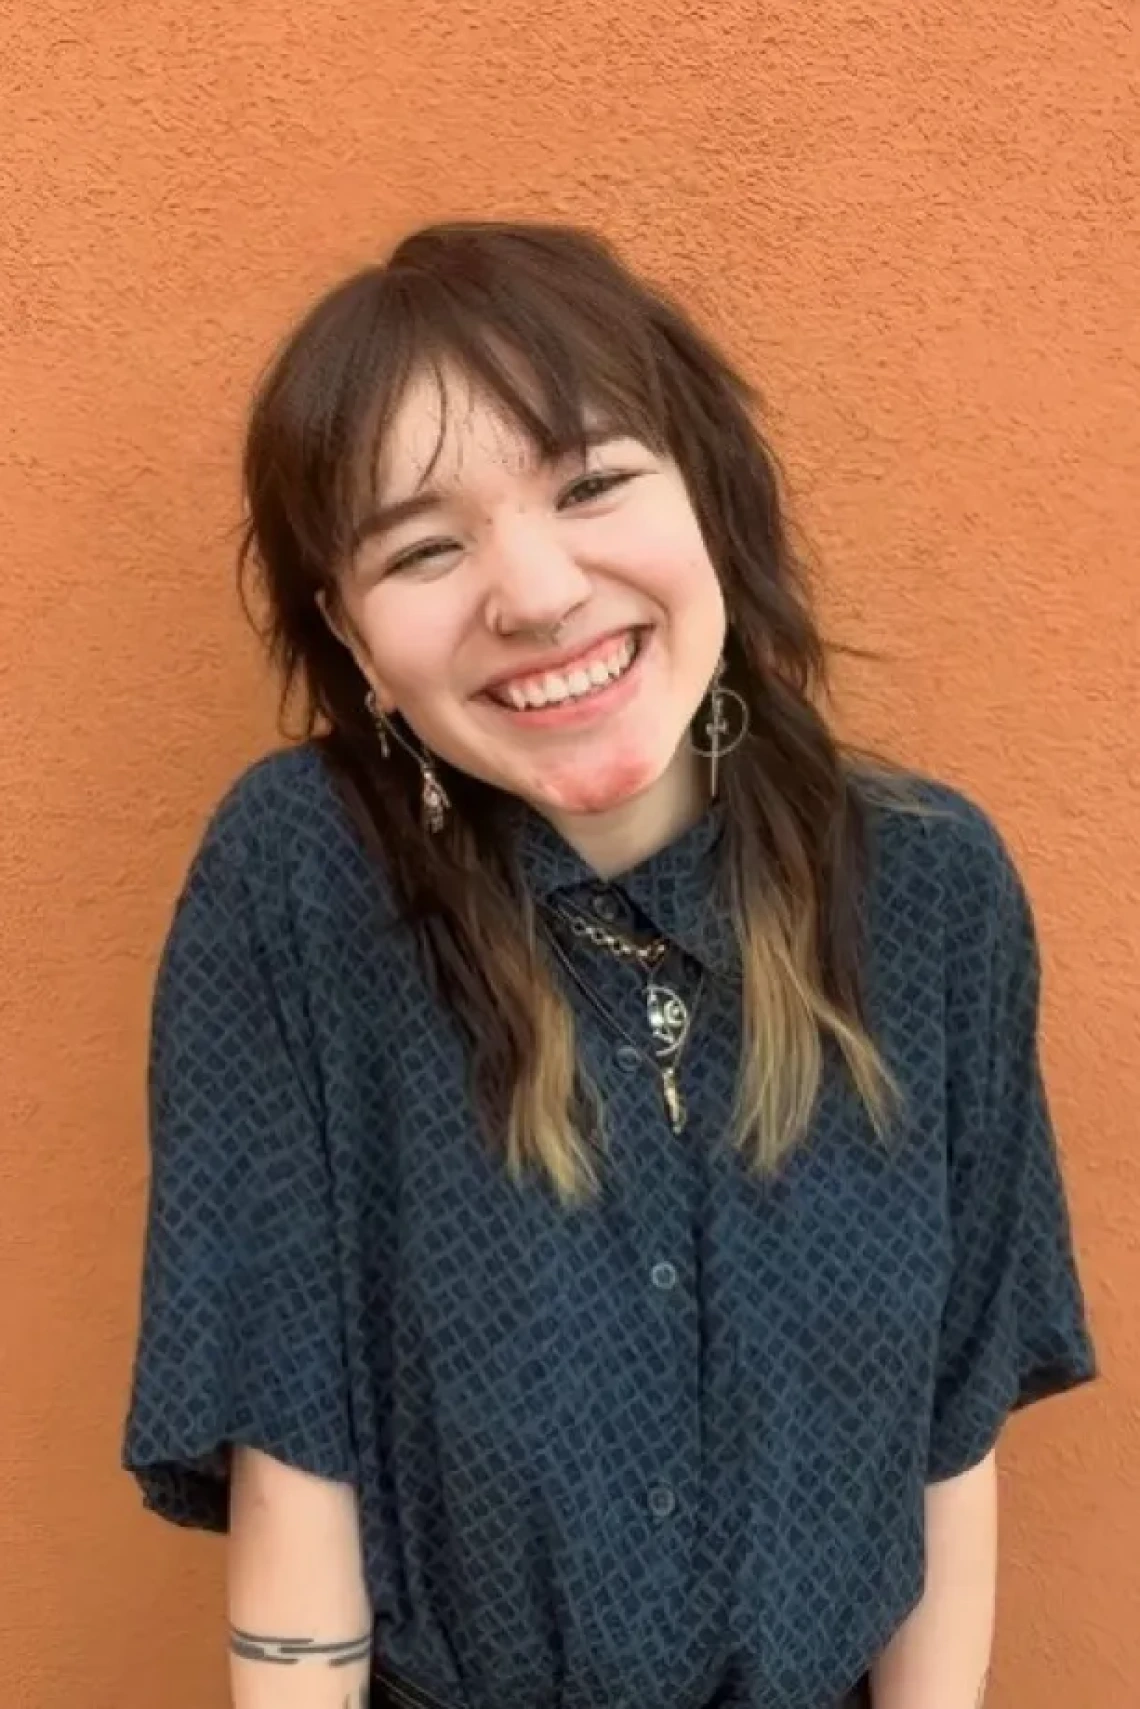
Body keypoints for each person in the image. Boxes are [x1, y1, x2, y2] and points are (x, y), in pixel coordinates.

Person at [123, 221, 1095, 1709]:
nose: (534, 591)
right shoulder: (297, 885)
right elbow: (292, 1450)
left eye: (590, 483)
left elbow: (946, 1438)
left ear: (711, 492)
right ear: (355, 638)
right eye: (426, 546)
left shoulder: (931, 894)